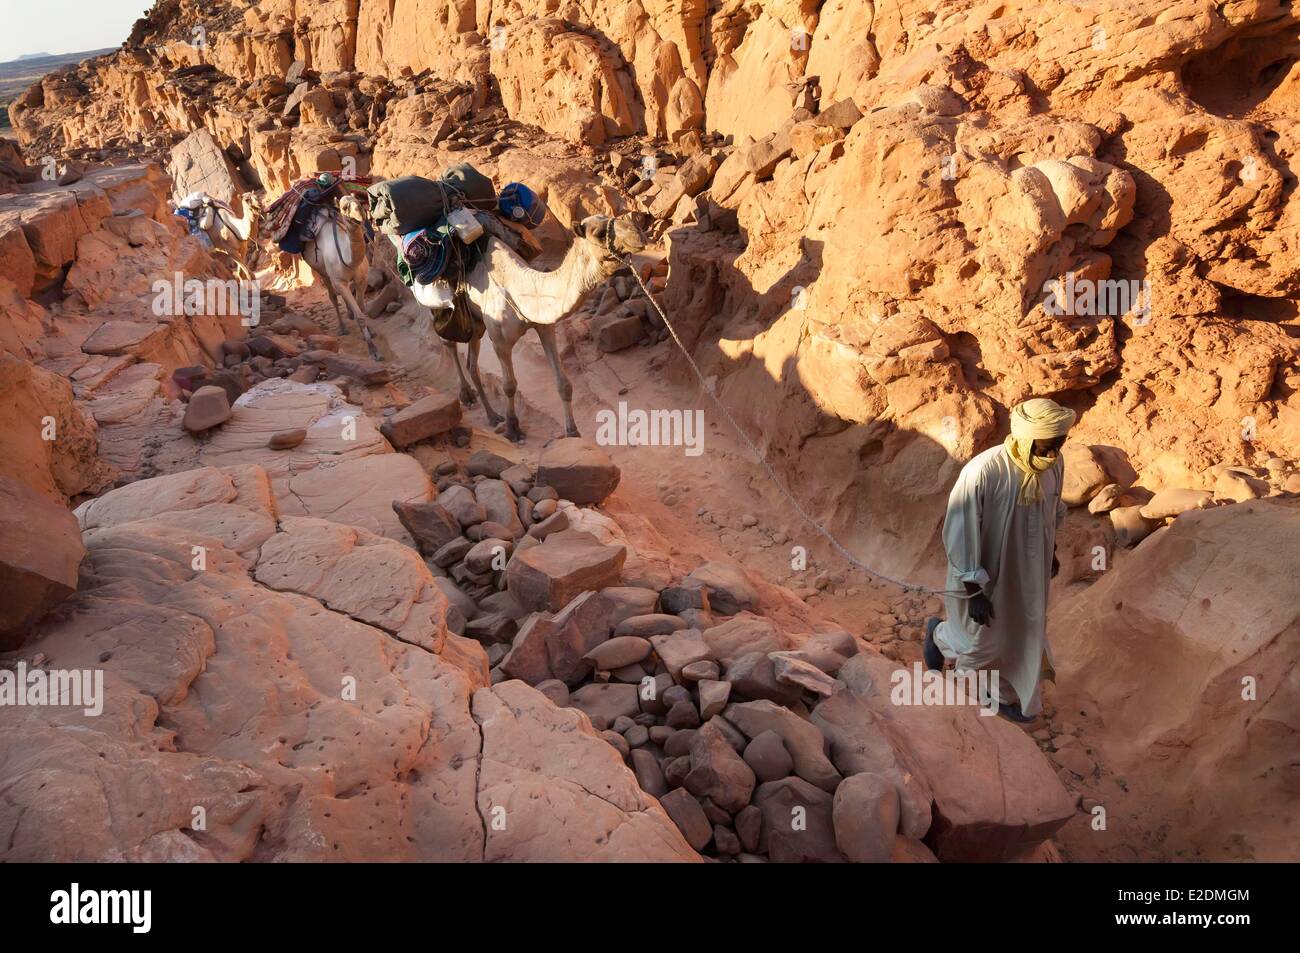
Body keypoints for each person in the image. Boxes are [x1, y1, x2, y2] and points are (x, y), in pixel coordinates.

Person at [923, 397, 1077, 722]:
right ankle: (939, 637)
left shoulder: (1055, 465)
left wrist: (1050, 553)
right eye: (1045, 447)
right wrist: (974, 589)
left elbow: (1051, 512)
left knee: (1024, 629)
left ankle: (1009, 696)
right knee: (980, 639)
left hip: (1029, 572)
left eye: (1058, 446)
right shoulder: (984, 472)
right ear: (1025, 439)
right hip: (985, 575)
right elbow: (960, 532)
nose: (1050, 455)